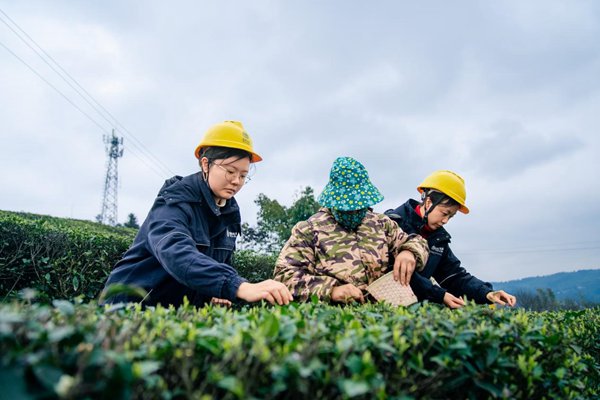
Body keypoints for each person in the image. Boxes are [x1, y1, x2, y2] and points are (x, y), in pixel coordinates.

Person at [102, 121, 292, 307]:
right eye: (230, 171)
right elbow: (176, 252)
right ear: (205, 164)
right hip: (129, 308)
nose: (236, 181)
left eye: (243, 175)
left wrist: (213, 293)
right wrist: (236, 285)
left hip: (174, 314)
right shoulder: (175, 200)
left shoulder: (230, 213)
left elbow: (214, 266)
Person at [273, 156, 429, 303]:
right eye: (347, 208)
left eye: (358, 207)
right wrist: (331, 290)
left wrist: (409, 252)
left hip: (382, 316)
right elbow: (284, 276)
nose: (354, 213)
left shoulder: (381, 223)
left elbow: (417, 241)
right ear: (333, 201)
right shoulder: (308, 230)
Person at [385, 170, 517, 308]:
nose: (445, 221)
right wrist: (439, 295)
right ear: (429, 202)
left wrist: (487, 293)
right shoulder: (392, 223)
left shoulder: (438, 239)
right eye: (444, 213)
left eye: (451, 216)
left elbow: (454, 276)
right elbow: (393, 270)